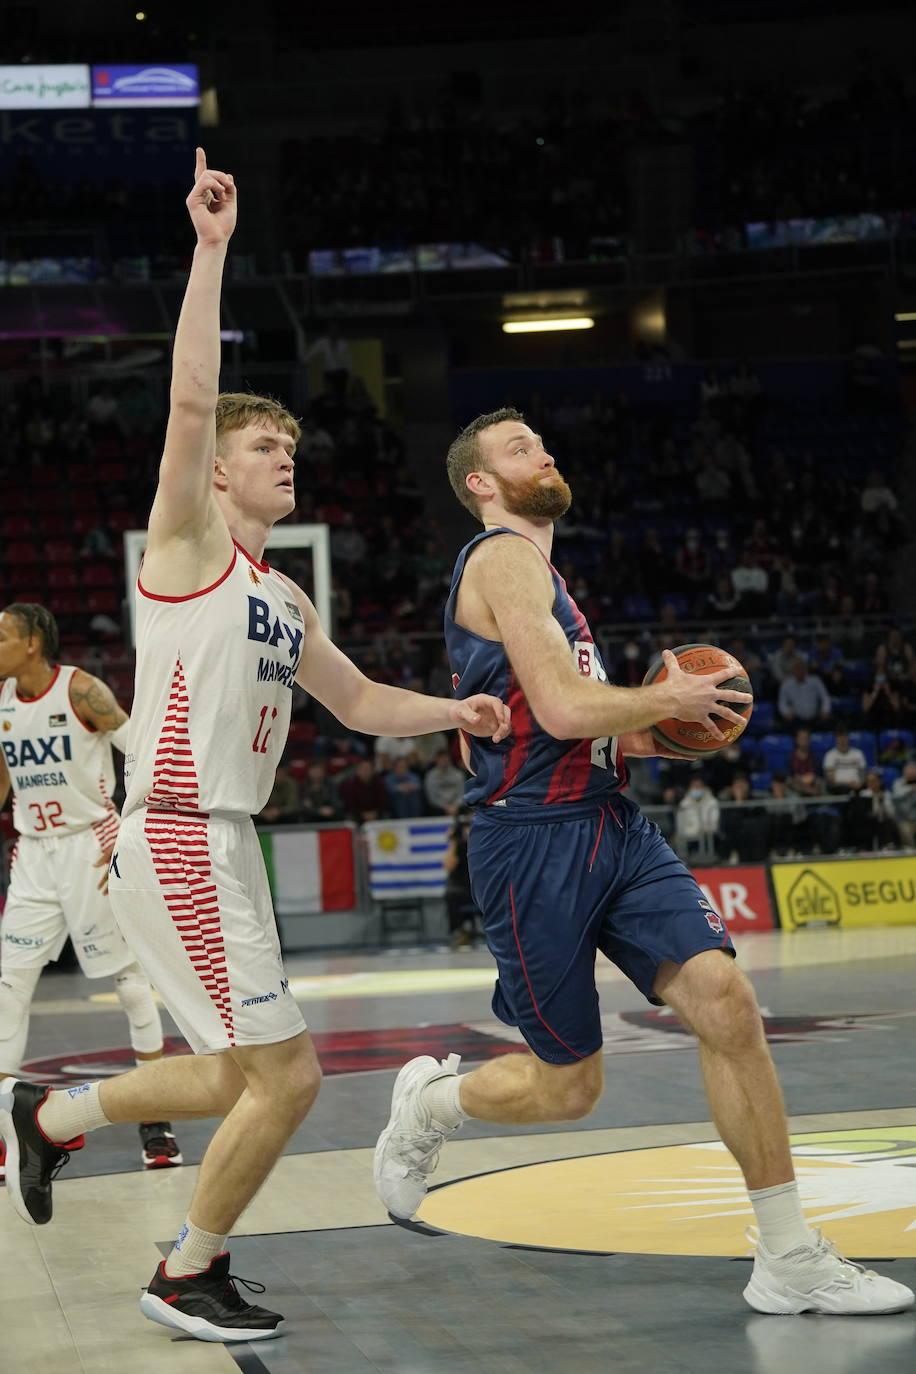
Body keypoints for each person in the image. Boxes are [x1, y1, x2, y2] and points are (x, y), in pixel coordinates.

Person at [0, 150, 511, 1345]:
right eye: (266, 445)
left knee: (237, 1076)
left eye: (291, 445)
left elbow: (358, 701)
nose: (286, 456)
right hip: (179, 836)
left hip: (219, 844)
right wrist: (211, 250)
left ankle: (51, 1118)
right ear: (219, 472)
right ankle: (187, 1271)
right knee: (291, 1079)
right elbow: (189, 401)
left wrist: (455, 714)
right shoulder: (186, 548)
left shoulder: (282, 594)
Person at [373, 405, 912, 1318]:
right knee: (569, 1088)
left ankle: (788, 1255)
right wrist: (664, 698)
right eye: (519, 448)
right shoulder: (501, 558)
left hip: (611, 824)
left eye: (542, 442)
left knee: (727, 1003)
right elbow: (564, 708)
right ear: (480, 483)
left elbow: (574, 729)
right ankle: (432, 1104)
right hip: (530, 843)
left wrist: (668, 728)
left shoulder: (550, 578)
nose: (543, 452)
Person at [0, 602, 181, 1175]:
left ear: (33, 642)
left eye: (2, 636)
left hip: (92, 846)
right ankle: (5, 1128)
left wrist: (133, 828)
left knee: (129, 983)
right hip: (34, 854)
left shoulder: (81, 691)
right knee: (9, 985)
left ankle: (155, 1119)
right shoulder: (2, 701)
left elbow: (143, 751)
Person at [442, 806, 481, 949]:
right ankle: (458, 931)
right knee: (451, 894)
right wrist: (454, 841)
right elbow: (448, 866)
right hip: (460, 884)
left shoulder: (482, 835)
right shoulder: (457, 840)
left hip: (478, 883)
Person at [777, 658, 831, 726]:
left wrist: (825, 710)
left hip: (815, 717)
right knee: (786, 724)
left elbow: (825, 697)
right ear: (792, 670)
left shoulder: (815, 681)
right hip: (796, 719)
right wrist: (787, 712)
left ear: (805, 669)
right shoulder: (786, 684)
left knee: (828, 721)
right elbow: (782, 702)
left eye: (801, 668)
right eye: (796, 668)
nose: (799, 671)